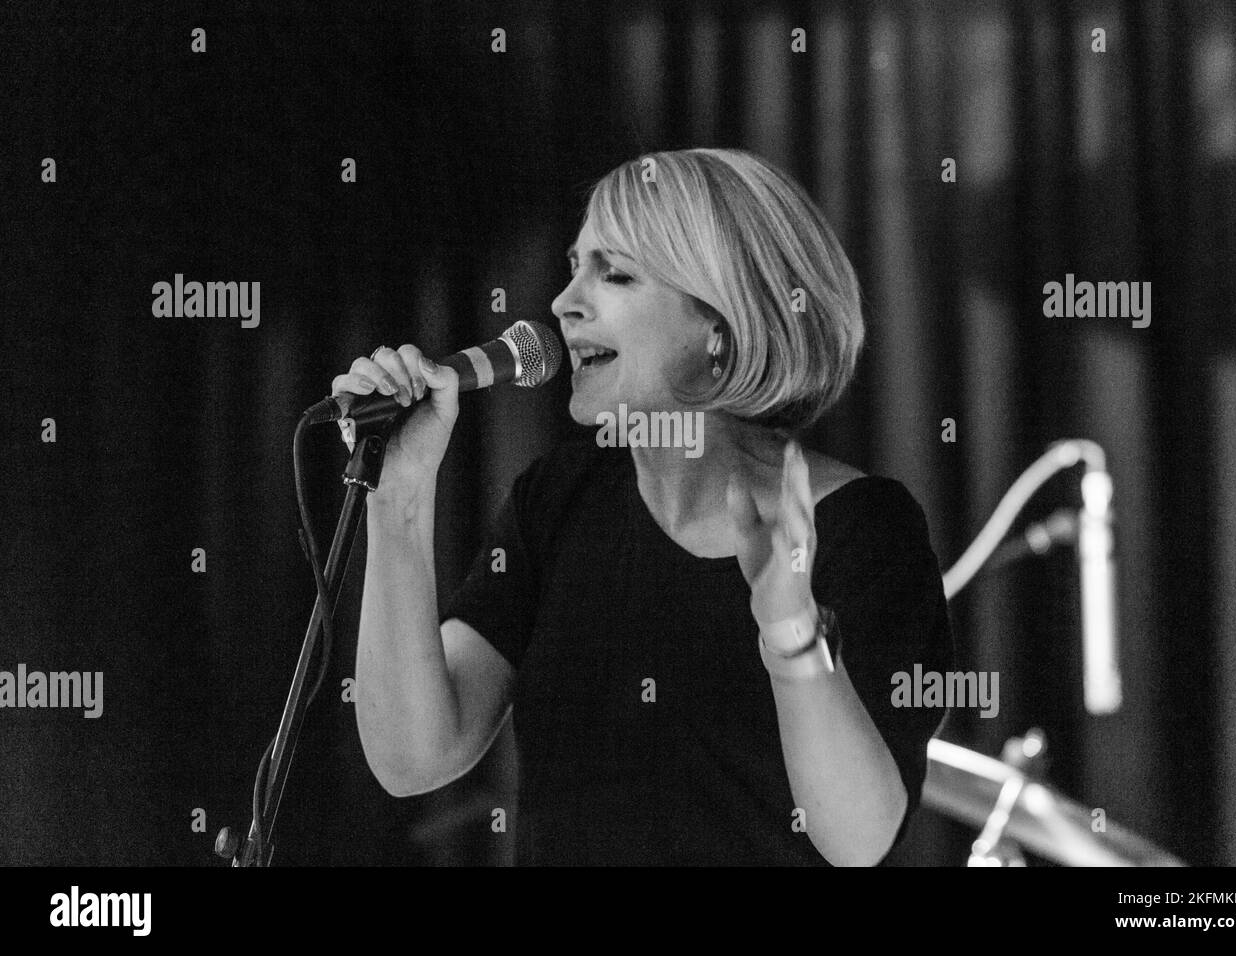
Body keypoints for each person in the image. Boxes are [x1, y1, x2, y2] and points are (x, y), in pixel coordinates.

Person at [336, 148, 953, 866]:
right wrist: (400, 499)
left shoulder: (863, 529)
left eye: (615, 273)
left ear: (720, 325)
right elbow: (414, 758)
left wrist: (790, 631)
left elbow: (861, 840)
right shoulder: (558, 500)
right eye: (575, 265)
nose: (565, 301)